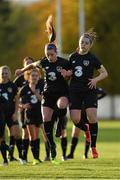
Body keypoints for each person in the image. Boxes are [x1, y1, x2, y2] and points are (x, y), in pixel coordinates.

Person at [15, 15, 70, 163]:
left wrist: (67, 74)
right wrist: (21, 70)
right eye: (47, 55)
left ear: (56, 53)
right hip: (48, 93)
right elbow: (32, 66)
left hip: (62, 93)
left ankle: (59, 124)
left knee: (62, 105)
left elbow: (72, 72)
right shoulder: (44, 62)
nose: (49, 57)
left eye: (51, 55)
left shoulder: (64, 62)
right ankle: (52, 145)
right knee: (46, 119)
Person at [68, 29, 108, 158]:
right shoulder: (72, 57)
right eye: (81, 42)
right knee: (75, 119)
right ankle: (86, 130)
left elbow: (105, 73)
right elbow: (68, 74)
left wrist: (95, 80)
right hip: (74, 91)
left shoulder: (92, 58)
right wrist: (66, 75)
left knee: (92, 116)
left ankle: (93, 147)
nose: (83, 44)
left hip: (89, 91)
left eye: (85, 43)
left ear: (90, 45)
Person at [67, 87, 106, 159]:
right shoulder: (77, 89)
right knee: (75, 134)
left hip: (87, 116)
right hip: (79, 115)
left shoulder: (92, 88)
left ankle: (85, 154)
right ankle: (71, 153)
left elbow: (103, 92)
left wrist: (95, 99)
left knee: (87, 135)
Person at [0, 66, 25, 165]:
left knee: (17, 134)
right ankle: (5, 161)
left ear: (9, 74)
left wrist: (15, 112)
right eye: (2, 73)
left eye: (6, 73)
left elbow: (17, 100)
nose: (4, 75)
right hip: (1, 115)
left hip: (11, 113)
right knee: (2, 137)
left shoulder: (12, 86)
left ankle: (21, 157)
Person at [19, 68, 44, 165]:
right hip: (29, 115)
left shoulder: (41, 87)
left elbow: (43, 100)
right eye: (32, 75)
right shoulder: (24, 88)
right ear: (29, 77)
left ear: (39, 77)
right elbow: (16, 99)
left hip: (39, 114)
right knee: (31, 136)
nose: (34, 77)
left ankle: (36, 158)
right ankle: (32, 158)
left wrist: (36, 93)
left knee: (36, 137)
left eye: (36, 75)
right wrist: (22, 106)